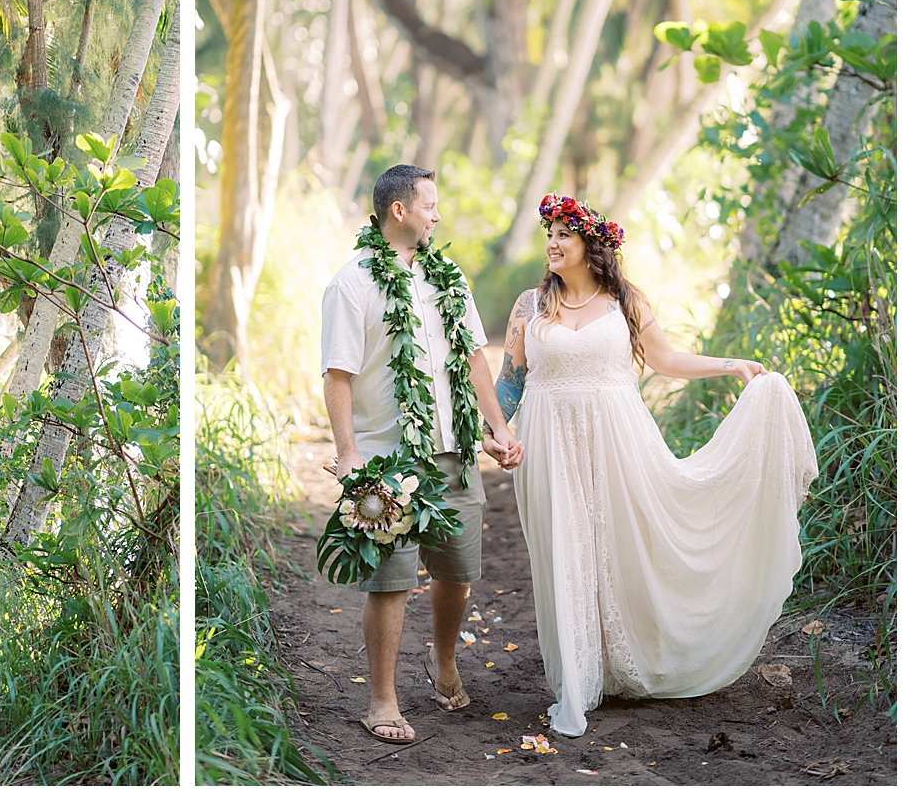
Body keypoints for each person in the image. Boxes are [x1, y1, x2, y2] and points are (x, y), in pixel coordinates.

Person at [497, 195, 818, 738]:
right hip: (548, 441)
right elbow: (510, 379)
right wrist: (495, 434)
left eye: (562, 235)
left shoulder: (625, 300)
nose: (551, 243)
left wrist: (731, 365)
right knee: (565, 551)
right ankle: (578, 676)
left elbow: (666, 360)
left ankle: (627, 661)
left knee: (621, 544)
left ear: (590, 245)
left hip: (619, 440)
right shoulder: (530, 306)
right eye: (548, 234)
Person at [321, 164, 523, 744]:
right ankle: (382, 701)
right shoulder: (352, 282)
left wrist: (497, 428)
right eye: (429, 205)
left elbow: (475, 359)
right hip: (387, 458)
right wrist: (349, 452)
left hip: (453, 449)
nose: (438, 216)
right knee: (390, 579)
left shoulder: (448, 277)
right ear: (399, 211)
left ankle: (443, 659)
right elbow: (338, 375)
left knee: (457, 572)